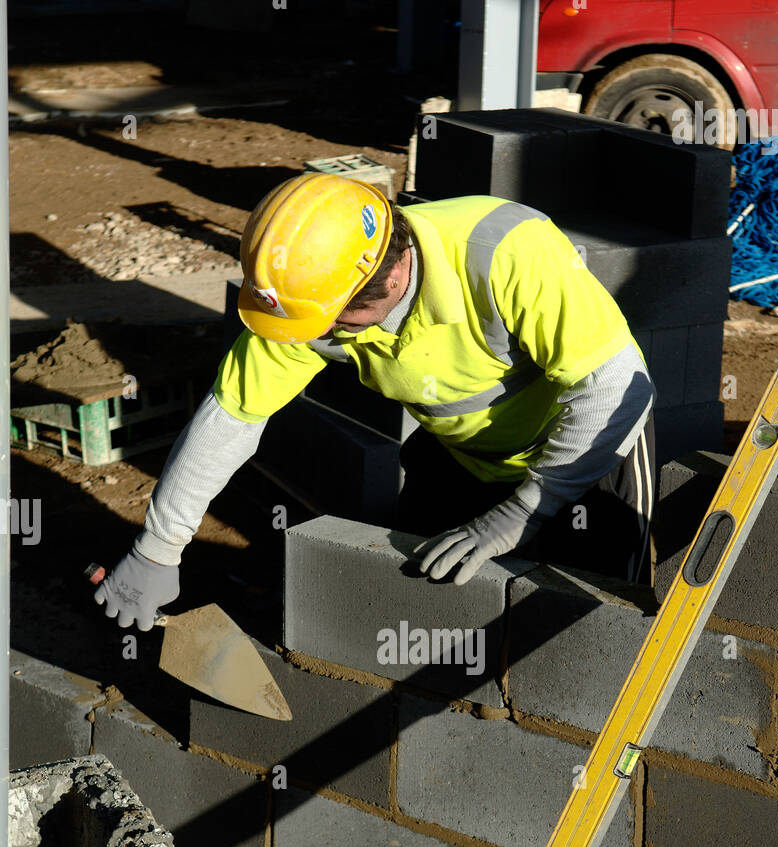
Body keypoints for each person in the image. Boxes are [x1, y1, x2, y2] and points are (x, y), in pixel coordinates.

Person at [94, 171, 656, 632]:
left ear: (388, 283)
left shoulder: (505, 251)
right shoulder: (306, 291)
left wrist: (525, 510)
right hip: (462, 454)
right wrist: (158, 548)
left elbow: (614, 385)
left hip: (587, 458)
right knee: (426, 609)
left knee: (595, 626)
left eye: (328, 322)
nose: (310, 335)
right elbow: (232, 418)